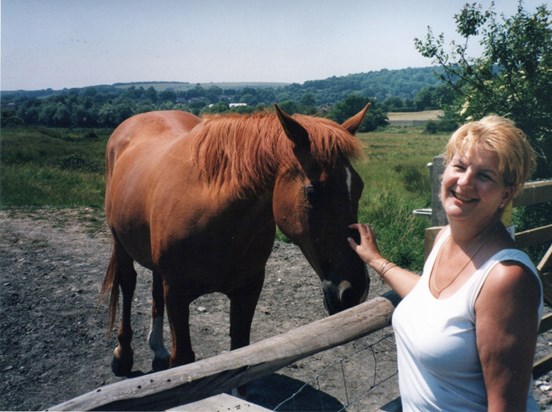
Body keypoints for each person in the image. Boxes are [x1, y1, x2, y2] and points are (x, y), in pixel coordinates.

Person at [348, 115, 543, 411]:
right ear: (445, 171)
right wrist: (377, 260)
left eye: (485, 175)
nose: (465, 182)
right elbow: (431, 300)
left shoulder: (506, 279)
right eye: (460, 166)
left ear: (506, 193)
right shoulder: (446, 239)